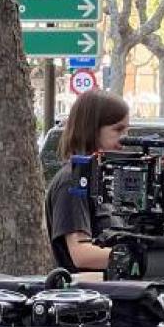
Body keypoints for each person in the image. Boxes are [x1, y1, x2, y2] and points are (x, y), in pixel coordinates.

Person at [46, 90, 130, 271]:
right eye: (118, 130)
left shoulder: (103, 178)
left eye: (127, 129)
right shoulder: (72, 181)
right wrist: (141, 258)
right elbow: (81, 254)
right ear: (92, 129)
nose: (126, 138)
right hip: (87, 295)